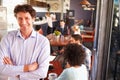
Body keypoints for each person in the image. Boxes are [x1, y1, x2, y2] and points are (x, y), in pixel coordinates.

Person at [0, 4, 50, 80]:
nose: (23, 22)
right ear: (16, 19)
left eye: (27, 18)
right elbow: (1, 68)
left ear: (33, 19)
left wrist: (16, 73)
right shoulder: (7, 38)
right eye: (20, 18)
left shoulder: (43, 42)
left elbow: (42, 72)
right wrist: (27, 68)